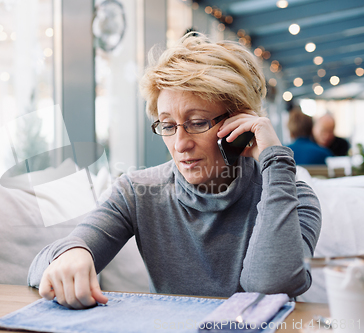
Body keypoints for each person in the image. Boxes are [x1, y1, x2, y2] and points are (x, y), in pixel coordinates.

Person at [27, 33, 322, 309]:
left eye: (197, 122)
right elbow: (40, 267)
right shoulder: (137, 192)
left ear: (239, 123)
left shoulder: (293, 198)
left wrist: (275, 160)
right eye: (168, 125)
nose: (180, 144)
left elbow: (270, 286)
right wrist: (71, 254)